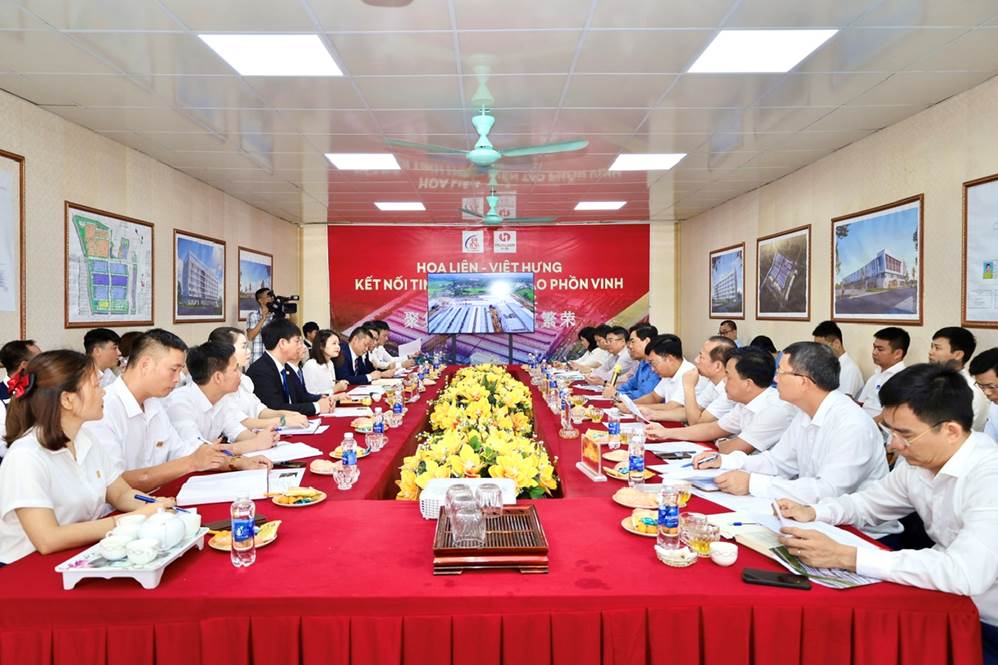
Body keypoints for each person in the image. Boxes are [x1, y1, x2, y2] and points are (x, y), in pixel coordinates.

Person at [774, 364, 998, 662]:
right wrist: (814, 512)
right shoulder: (919, 463)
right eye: (890, 431)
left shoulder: (989, 477)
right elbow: (868, 504)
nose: (893, 444)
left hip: (986, 621)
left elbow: (965, 572)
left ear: (951, 431)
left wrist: (847, 557)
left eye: (905, 434)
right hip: (944, 602)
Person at [695, 342, 897, 540]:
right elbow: (777, 462)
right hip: (812, 515)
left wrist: (752, 483)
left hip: (862, 534)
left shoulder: (851, 424)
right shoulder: (805, 413)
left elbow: (828, 491)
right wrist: (726, 461)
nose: (775, 379)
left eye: (781, 372)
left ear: (804, 381)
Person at [0, 350, 175, 564]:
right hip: (26, 567)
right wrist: (134, 518)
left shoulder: (85, 438)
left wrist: (155, 505)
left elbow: (121, 494)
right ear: (67, 399)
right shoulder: (25, 457)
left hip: (78, 554)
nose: (104, 392)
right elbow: (48, 539)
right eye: (95, 386)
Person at [83, 329, 269, 493]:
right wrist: (192, 462)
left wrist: (237, 462)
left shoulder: (153, 404)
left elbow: (183, 452)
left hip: (158, 499)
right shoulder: (103, 408)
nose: (177, 379)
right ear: (145, 364)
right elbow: (115, 482)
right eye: (173, 370)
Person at [647, 346, 795, 453]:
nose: (724, 381)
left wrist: (719, 441)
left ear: (748, 384)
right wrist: (665, 433)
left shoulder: (775, 409)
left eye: (729, 376)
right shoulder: (744, 403)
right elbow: (711, 429)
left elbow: (733, 449)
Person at [166, 343, 279, 454]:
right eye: (235, 369)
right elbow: (199, 452)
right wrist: (255, 443)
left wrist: (266, 438)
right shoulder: (179, 403)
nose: (240, 375)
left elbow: (238, 432)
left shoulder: (222, 400)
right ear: (218, 377)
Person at [207, 326, 308, 430]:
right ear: (225, 350)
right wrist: (282, 421)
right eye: (243, 347)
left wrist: (287, 414)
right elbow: (241, 422)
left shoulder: (245, 380)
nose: (249, 351)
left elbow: (260, 410)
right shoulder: (219, 384)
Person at [246, 319, 333, 416]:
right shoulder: (261, 370)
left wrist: (322, 399)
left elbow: (300, 397)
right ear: (282, 343)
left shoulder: (286, 368)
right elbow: (275, 408)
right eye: (297, 341)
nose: (301, 346)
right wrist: (317, 407)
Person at [642, 336, 736, 424]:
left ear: (717, 366)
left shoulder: (729, 392)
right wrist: (652, 414)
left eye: (701, 357)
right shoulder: (712, 384)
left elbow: (696, 422)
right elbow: (687, 412)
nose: (696, 360)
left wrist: (689, 386)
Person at [929, 326, 989, 431]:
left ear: (958, 355)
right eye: (931, 347)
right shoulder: (929, 381)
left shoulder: (971, 392)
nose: (930, 352)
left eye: (937, 348)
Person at [857, 326, 909, 422]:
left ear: (897, 354)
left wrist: (864, 426)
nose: (874, 352)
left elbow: (889, 416)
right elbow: (860, 404)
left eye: (880, 349)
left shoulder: (903, 379)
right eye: (874, 347)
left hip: (877, 428)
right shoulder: (875, 376)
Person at [636, 335, 702, 406]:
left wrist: (637, 407)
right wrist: (631, 404)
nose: (652, 369)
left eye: (653, 363)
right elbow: (654, 397)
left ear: (669, 359)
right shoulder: (668, 374)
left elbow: (672, 407)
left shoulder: (689, 373)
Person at [812, 320, 864, 398]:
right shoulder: (826, 365)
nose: (817, 351)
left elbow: (843, 402)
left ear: (836, 344)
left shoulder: (850, 370)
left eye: (821, 347)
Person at [604, 324, 659, 400]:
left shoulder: (657, 365)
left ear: (646, 341)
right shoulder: (642, 363)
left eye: (632, 342)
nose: (629, 346)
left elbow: (644, 394)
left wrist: (617, 394)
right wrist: (615, 391)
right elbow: (630, 385)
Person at [302, 329, 350, 396]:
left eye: (338, 344)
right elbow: (310, 395)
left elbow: (330, 388)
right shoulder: (311, 365)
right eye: (334, 343)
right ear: (321, 345)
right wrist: (335, 389)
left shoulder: (330, 363)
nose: (338, 347)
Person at [970, 348, 998, 442]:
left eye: (991, 386)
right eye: (981, 386)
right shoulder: (994, 407)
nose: (986, 392)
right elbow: (990, 442)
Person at [245, 288, 274, 364]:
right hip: (258, 359)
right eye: (268, 296)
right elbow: (250, 336)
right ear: (260, 300)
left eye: (271, 296)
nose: (271, 299)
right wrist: (263, 318)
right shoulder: (253, 316)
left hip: (273, 360)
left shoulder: (276, 316)